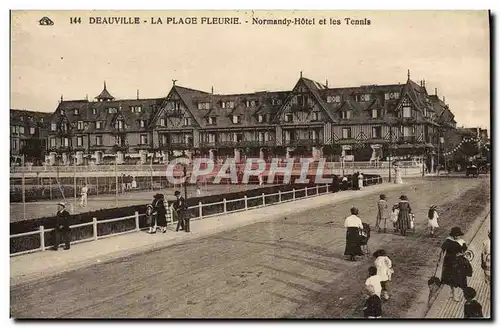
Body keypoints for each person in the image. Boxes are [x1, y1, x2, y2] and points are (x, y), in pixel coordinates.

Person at [441, 227, 469, 302]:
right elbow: (443, 249)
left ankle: (455, 294)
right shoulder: (448, 241)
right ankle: (453, 293)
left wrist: (461, 253)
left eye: (459, 235)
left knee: (456, 278)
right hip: (449, 262)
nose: (457, 237)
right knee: (450, 278)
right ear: (453, 235)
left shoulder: (461, 241)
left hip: (458, 262)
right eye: (456, 235)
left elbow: (465, 250)